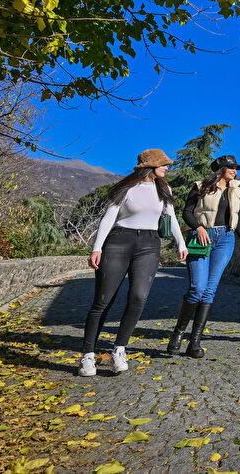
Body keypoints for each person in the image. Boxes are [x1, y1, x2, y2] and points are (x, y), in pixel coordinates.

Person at [78, 148, 186, 377]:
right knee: (103, 301)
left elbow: (172, 217)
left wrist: (181, 244)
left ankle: (119, 350)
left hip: (149, 244)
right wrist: (97, 247)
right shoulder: (127, 187)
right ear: (151, 166)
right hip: (119, 242)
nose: (168, 167)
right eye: (164, 164)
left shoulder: (165, 188)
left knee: (138, 297)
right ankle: (88, 355)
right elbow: (109, 217)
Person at [166, 154, 240, 358]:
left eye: (236, 168)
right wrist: (198, 227)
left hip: (226, 239)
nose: (235, 171)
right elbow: (186, 213)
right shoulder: (200, 187)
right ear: (221, 169)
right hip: (202, 238)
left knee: (209, 291)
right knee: (197, 287)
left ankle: (194, 342)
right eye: (232, 168)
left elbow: (236, 218)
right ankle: (178, 333)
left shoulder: (236, 191)